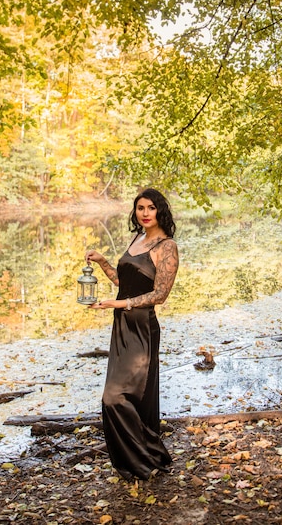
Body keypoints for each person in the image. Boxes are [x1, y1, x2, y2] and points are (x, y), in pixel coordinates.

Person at [85, 188, 179, 480]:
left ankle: (145, 456)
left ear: (160, 211)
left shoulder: (167, 247)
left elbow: (160, 295)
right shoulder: (137, 239)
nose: (145, 212)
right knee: (120, 395)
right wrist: (102, 262)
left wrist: (121, 303)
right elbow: (122, 280)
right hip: (122, 325)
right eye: (140, 208)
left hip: (142, 327)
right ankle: (137, 462)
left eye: (151, 207)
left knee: (118, 396)